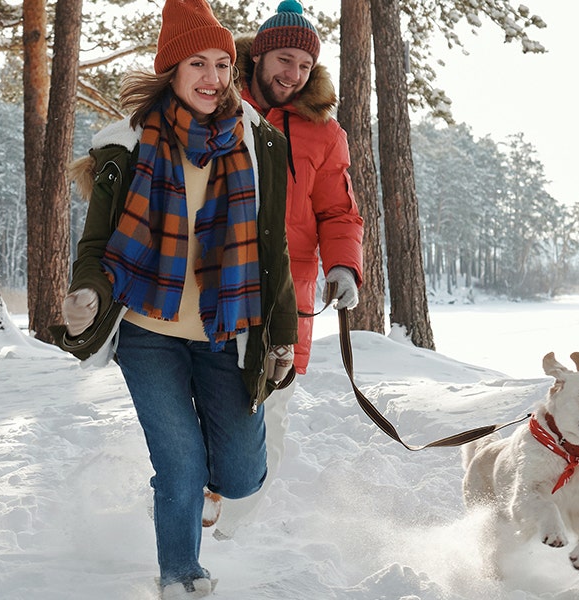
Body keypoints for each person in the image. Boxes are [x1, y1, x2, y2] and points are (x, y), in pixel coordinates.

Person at [49, 0, 298, 597]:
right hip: (147, 332)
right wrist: (86, 292)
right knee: (180, 463)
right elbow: (98, 244)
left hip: (227, 331)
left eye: (222, 63)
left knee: (239, 477)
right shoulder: (128, 148)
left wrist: (281, 334)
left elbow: (275, 253)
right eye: (197, 63)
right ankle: (181, 574)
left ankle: (204, 493)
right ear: (172, 70)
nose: (213, 78)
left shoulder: (258, 144)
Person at [210, 0, 364, 540]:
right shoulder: (221, 106)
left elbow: (338, 212)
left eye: (303, 64)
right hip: (215, 287)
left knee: (268, 418)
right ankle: (195, 510)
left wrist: (344, 266)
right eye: (283, 58)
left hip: (286, 300)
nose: (292, 74)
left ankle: (230, 533)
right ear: (260, 55)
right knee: (207, 400)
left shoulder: (325, 132)